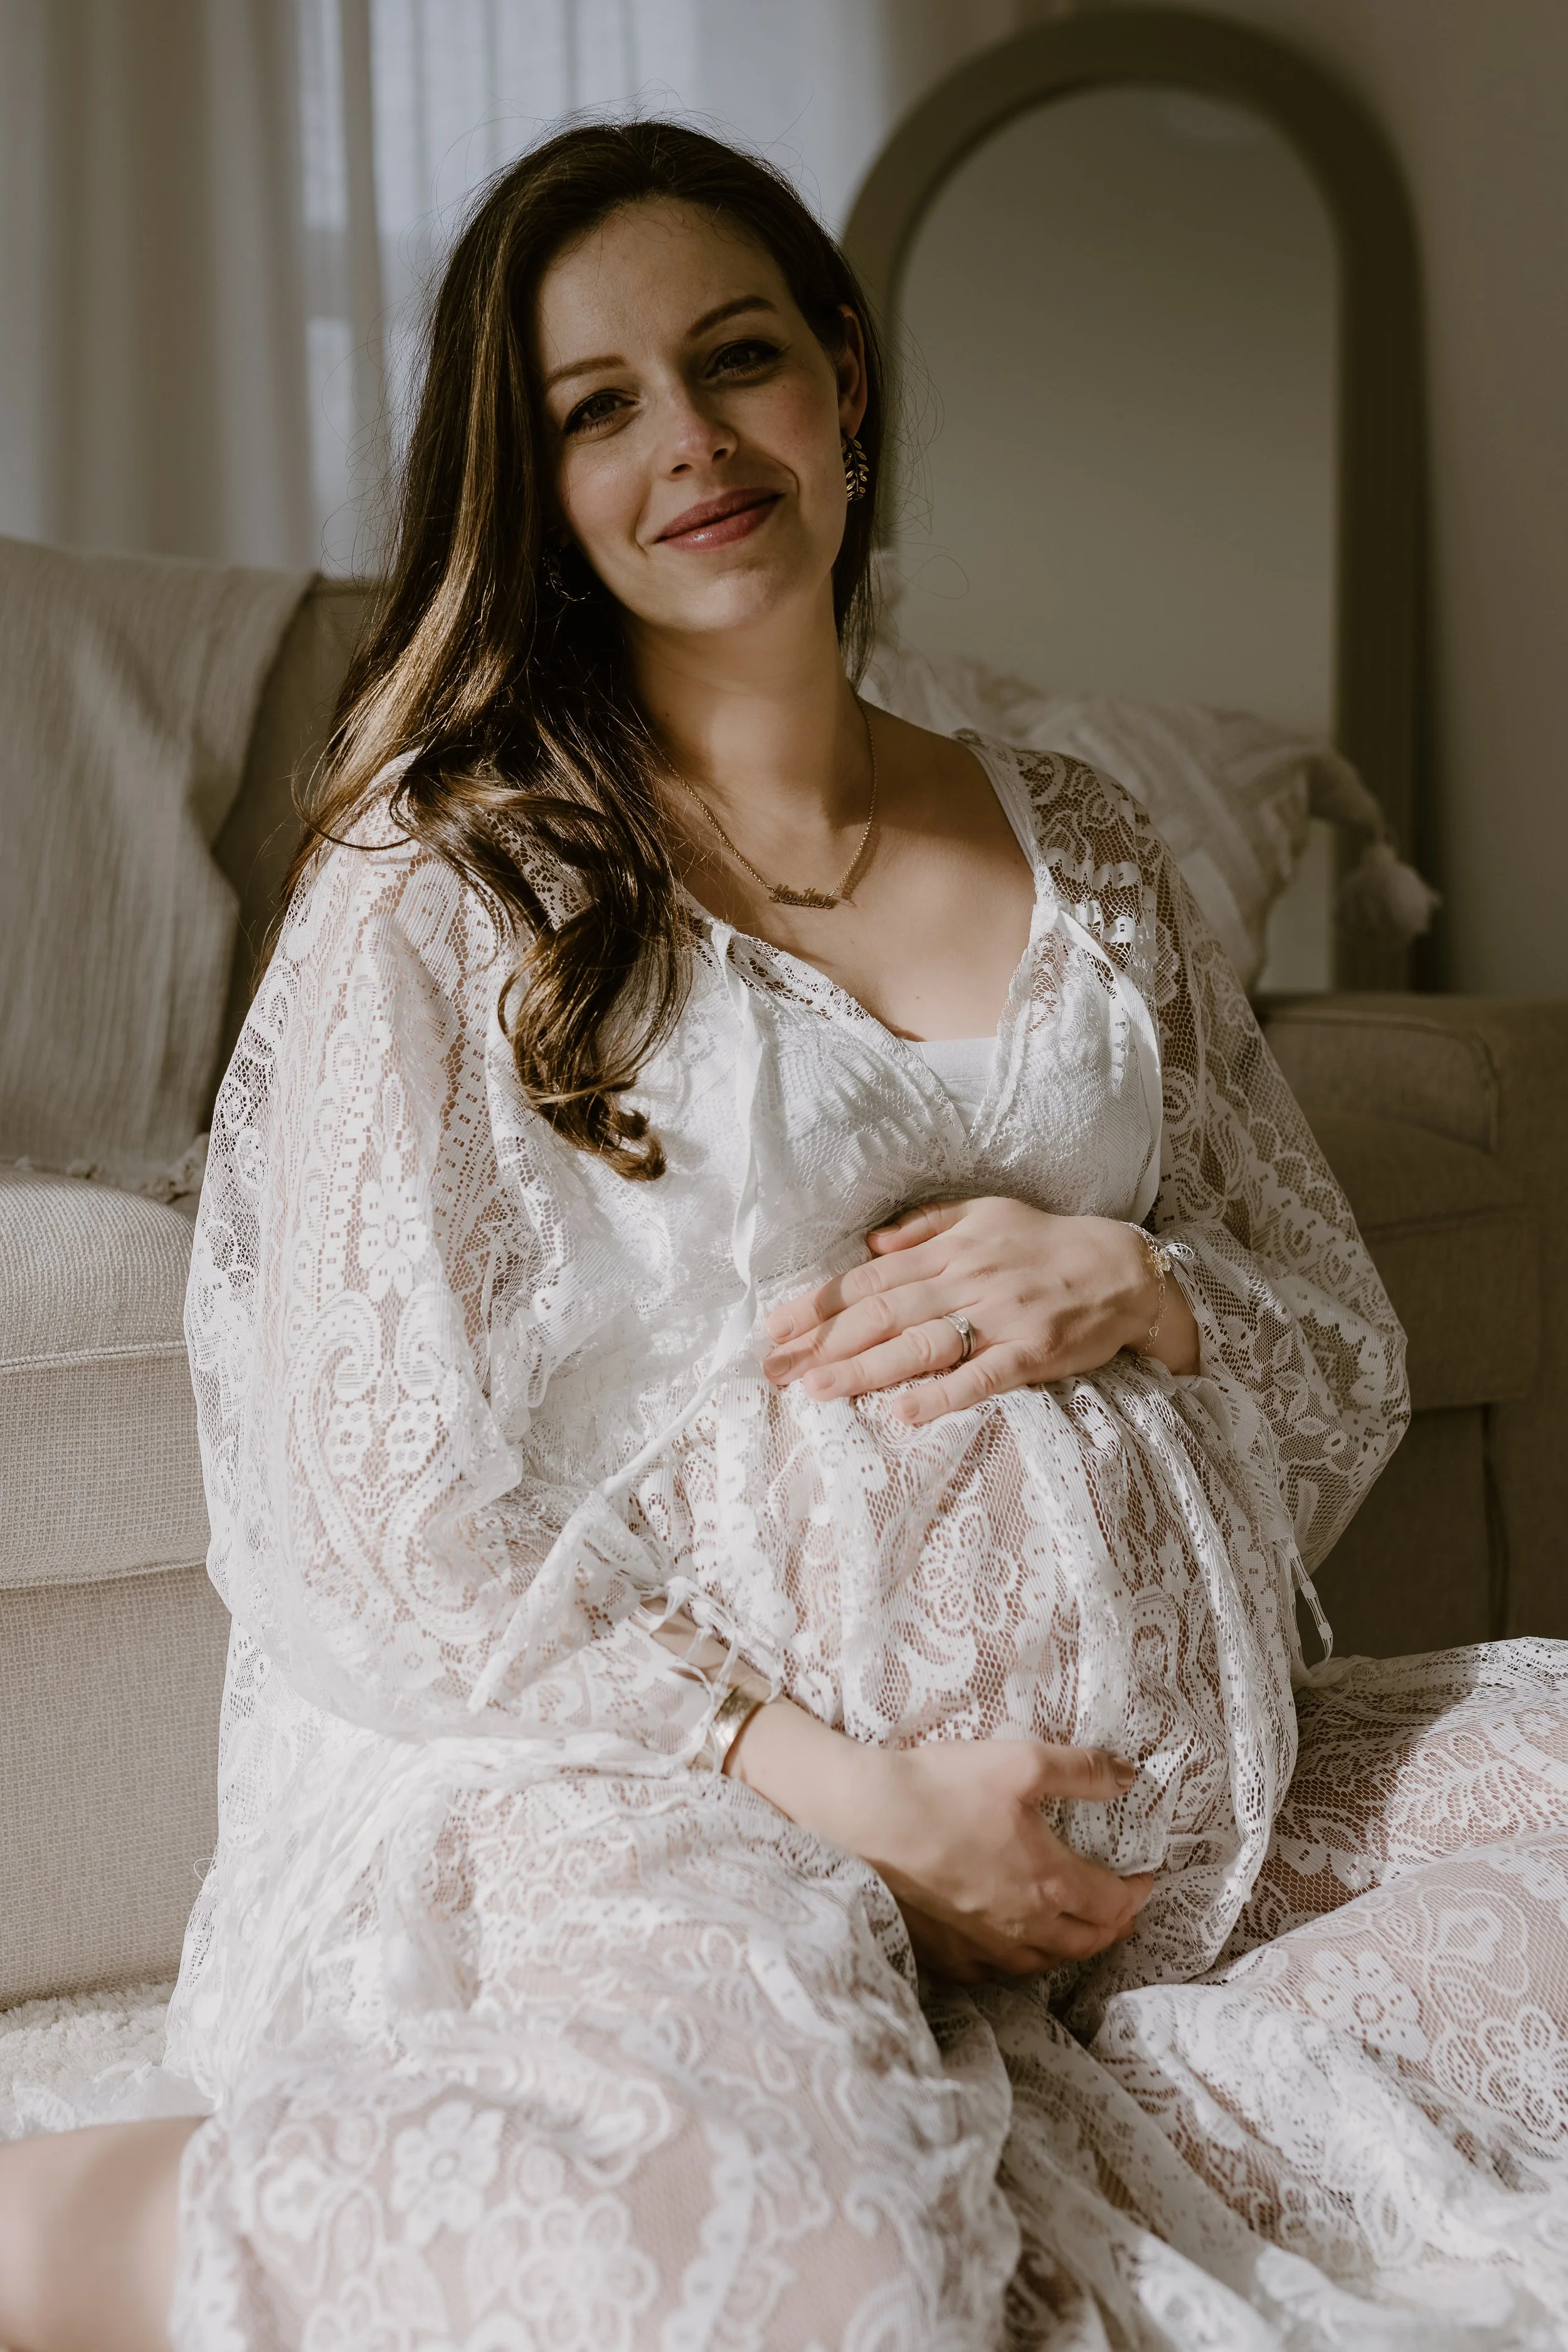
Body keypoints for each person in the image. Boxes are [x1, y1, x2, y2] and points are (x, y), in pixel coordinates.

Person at [3, 119, 1566, 2352]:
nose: (692, 442)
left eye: (735, 358)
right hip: (660, 1785)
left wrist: (1149, 1284)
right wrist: (863, 1798)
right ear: (533, 488)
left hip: (1154, 1813)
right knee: (804, 2254)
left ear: (841, 374)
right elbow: (378, 1507)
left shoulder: (1086, 843)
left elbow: (1332, 1332)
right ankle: (73, 2223)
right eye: (597, 407)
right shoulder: (452, 885)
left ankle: (1070, 2096)